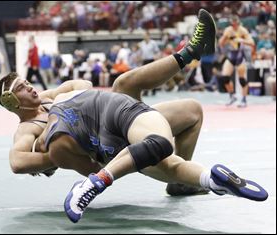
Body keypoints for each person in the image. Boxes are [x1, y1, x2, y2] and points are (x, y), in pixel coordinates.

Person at [33, 9, 267, 223]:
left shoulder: (48, 100)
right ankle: (182, 176)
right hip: (114, 146)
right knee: (158, 145)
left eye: (24, 84)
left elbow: (81, 83)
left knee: (191, 110)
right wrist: (47, 157)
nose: (28, 88)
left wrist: (46, 100)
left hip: (116, 115)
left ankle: (180, 183)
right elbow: (18, 162)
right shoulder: (36, 133)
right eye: (20, 88)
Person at [218, 15, 255, 108]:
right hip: (231, 55)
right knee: (225, 77)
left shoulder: (243, 30)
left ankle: (244, 99)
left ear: (238, 23)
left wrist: (242, 40)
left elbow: (252, 43)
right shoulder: (228, 30)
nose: (234, 26)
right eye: (233, 24)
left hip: (240, 56)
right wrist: (225, 38)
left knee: (242, 79)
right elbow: (220, 43)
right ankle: (232, 96)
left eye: (236, 24)